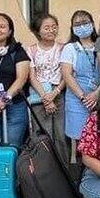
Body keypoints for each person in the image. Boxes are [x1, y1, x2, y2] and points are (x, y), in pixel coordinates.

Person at [0, 13, 30, 148]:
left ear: (9, 32)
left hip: (15, 105)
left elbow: (22, 78)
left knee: (12, 147)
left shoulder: (18, 51)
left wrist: (4, 98)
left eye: (2, 27)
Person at [27, 13, 70, 164]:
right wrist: (46, 97)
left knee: (61, 136)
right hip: (39, 95)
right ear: (38, 31)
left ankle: (64, 174)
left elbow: (67, 74)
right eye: (47, 27)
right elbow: (32, 76)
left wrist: (55, 93)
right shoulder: (31, 50)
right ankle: (45, 172)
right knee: (42, 135)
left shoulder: (64, 48)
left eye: (54, 27)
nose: (51, 30)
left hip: (59, 92)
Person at [61, 10, 100, 153]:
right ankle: (82, 175)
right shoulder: (70, 48)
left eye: (85, 22)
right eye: (77, 24)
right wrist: (84, 97)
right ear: (72, 28)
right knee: (81, 142)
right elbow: (67, 75)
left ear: (92, 24)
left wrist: (97, 94)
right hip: (77, 100)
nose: (82, 26)